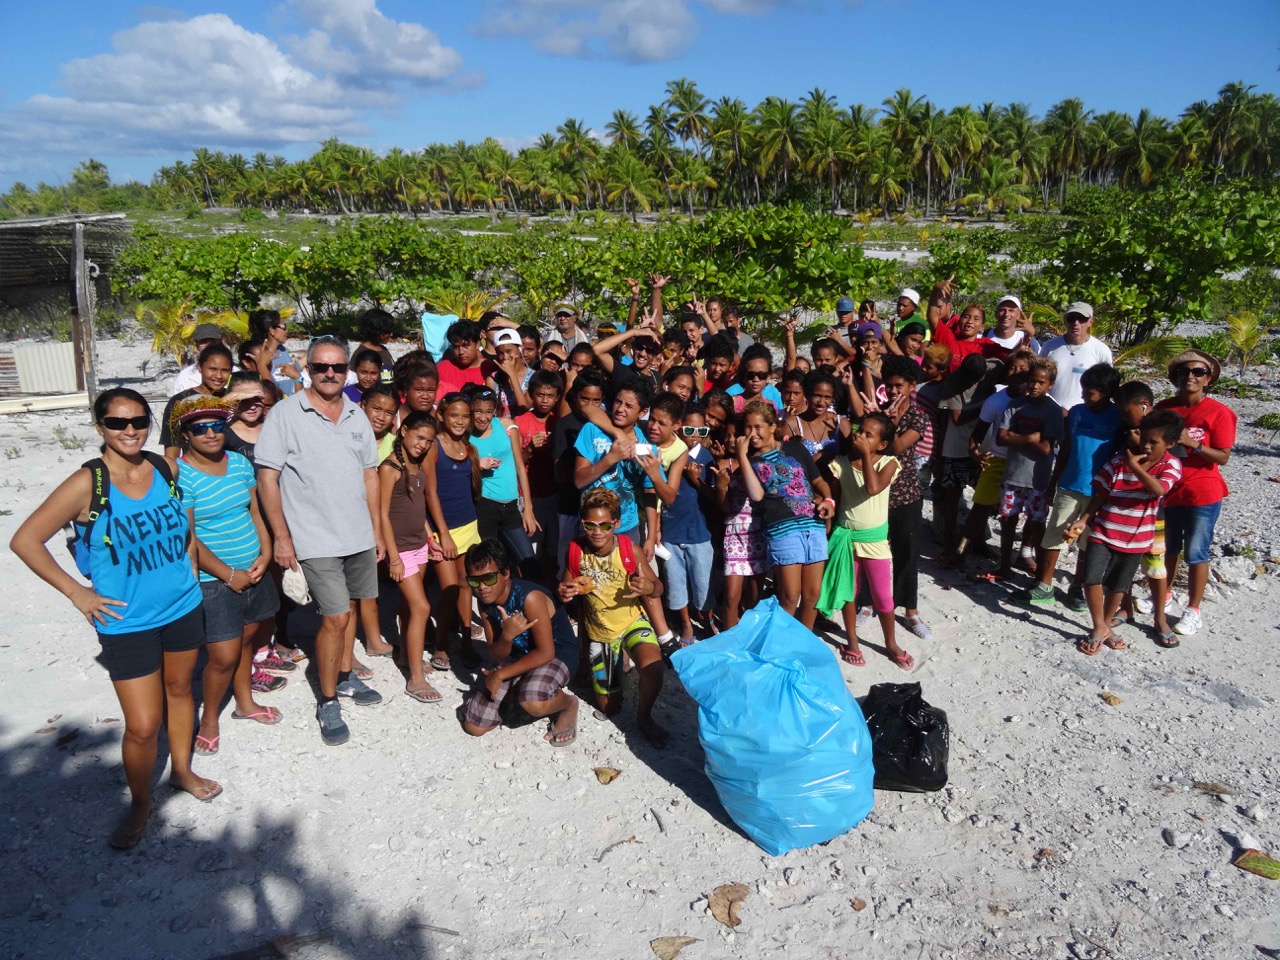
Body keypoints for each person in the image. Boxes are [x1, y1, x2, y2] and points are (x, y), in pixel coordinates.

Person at [10, 388, 218, 850]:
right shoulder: (89, 483)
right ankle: (142, 802)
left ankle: (181, 770)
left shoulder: (164, 468)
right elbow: (25, 540)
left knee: (182, 690)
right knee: (143, 725)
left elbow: (185, 526)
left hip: (182, 606)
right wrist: (77, 593)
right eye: (117, 422)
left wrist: (189, 565)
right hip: (127, 621)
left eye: (139, 421)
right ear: (99, 426)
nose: (130, 430)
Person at [256, 336, 386, 747]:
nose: (329, 374)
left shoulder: (355, 414)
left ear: (346, 370)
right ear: (307, 368)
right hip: (314, 537)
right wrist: (281, 536)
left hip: (357, 535)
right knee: (335, 618)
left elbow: (369, 474)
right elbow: (268, 477)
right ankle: (327, 700)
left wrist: (377, 531)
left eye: (336, 367)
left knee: (349, 607)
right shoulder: (285, 414)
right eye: (320, 367)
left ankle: (345, 677)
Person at [173, 397, 283, 757]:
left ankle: (245, 702)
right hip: (214, 580)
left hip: (253, 569)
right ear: (186, 434)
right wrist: (227, 574)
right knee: (222, 655)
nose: (210, 433)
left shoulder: (238, 463)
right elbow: (189, 537)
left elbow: (255, 510)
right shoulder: (182, 474)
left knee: (247, 642)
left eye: (217, 425)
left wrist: (266, 555)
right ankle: (209, 720)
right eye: (199, 427)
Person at [1066, 411, 1183, 655]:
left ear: (1170, 444)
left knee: (1118, 585)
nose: (1146, 446)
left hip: (1137, 537)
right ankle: (1099, 626)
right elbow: (1101, 493)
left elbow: (1159, 489)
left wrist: (1135, 468)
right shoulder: (1120, 460)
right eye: (1144, 439)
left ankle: (1105, 626)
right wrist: (1084, 520)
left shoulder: (1170, 464)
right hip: (1104, 529)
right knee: (1091, 577)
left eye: (1154, 442)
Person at [559, 488, 668, 747]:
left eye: (605, 524)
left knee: (653, 669)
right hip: (599, 633)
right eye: (590, 525)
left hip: (632, 623)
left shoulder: (629, 549)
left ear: (616, 524)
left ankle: (644, 718)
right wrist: (564, 593)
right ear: (582, 523)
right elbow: (564, 587)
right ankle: (618, 666)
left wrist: (649, 588)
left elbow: (659, 587)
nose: (597, 531)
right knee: (609, 705)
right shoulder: (575, 551)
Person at [817, 413, 914, 670]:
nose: (860, 436)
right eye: (860, 431)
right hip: (846, 538)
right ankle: (852, 640)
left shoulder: (889, 463)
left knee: (883, 596)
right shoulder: (841, 463)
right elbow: (833, 495)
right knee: (850, 592)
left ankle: (891, 643)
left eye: (868, 435)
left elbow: (872, 489)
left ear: (881, 445)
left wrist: (866, 458)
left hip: (875, 541)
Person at [463, 540, 580, 745]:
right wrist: (507, 636)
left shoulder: (530, 598)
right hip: (519, 656)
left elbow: (546, 652)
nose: (482, 587)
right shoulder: (485, 603)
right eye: (474, 581)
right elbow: (496, 655)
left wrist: (499, 674)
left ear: (506, 574)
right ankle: (521, 688)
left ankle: (567, 704)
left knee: (533, 701)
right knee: (474, 725)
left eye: (489, 578)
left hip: (557, 653)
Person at [1026, 364, 1123, 608]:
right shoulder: (1077, 413)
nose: (1082, 396)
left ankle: (1077, 588)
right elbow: (1066, 449)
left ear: (1105, 392)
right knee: (1054, 534)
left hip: (1099, 493)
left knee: (1088, 543)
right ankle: (1044, 586)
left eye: (1089, 392)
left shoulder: (1118, 418)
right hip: (1069, 485)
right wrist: (1053, 483)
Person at [1156, 349, 1237, 638]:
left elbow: (1224, 457)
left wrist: (1194, 444)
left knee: (1196, 552)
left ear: (1208, 378)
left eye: (1197, 372)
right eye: (1183, 371)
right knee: (1167, 548)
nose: (1189, 376)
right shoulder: (1164, 408)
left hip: (1203, 491)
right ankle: (1162, 596)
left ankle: (1193, 610)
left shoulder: (1219, 413)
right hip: (1168, 489)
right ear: (1175, 377)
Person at [737, 400, 835, 629]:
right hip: (783, 531)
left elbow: (819, 481)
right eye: (748, 428)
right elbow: (757, 495)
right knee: (790, 596)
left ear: (772, 427)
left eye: (758, 427)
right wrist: (742, 456)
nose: (752, 433)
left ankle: (803, 642)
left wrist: (829, 502)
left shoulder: (795, 448)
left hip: (814, 526)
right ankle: (781, 645)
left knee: (812, 596)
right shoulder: (751, 461)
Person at [379, 411, 443, 703]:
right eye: (419, 437)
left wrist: (430, 538)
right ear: (403, 431)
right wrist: (393, 557)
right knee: (421, 607)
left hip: (419, 545)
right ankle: (415, 679)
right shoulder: (390, 468)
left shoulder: (418, 467)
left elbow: (419, 509)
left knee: (409, 607)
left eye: (429, 441)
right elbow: (381, 514)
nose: (423, 444)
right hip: (401, 549)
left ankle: (407, 656)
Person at [423, 392, 481, 669]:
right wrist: (441, 533)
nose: (460, 421)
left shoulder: (468, 446)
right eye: (454, 415)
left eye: (465, 416)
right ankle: (442, 643)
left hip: (469, 525)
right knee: (448, 589)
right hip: (442, 529)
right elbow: (430, 492)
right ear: (442, 416)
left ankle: (467, 638)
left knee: (466, 584)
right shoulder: (434, 446)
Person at [994, 357, 1063, 580]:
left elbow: (1045, 448)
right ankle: (1003, 566)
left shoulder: (1052, 411)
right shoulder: (1015, 404)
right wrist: (1030, 438)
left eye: (1041, 383)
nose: (1035, 386)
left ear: (1050, 385)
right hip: (1013, 474)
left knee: (1036, 524)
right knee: (1007, 521)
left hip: (1037, 479)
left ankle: (1041, 576)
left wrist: (1017, 437)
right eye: (1032, 381)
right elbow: (1001, 438)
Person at [470, 385, 539, 579]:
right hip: (485, 508)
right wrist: (476, 463)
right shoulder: (466, 436)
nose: (483, 417)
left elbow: (519, 467)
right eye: (478, 411)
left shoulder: (506, 425)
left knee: (530, 565)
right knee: (491, 570)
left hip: (511, 508)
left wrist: (528, 509)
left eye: (488, 412)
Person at [516, 370, 564, 584]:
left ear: (557, 397)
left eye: (550, 396)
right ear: (531, 395)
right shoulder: (520, 421)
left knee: (553, 548)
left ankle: (551, 589)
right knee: (531, 549)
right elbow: (516, 463)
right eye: (540, 395)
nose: (545, 401)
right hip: (529, 497)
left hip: (554, 495)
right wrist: (530, 449)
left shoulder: (559, 422)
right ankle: (531, 587)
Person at [161, 343, 232, 458]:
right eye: (212, 369)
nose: (219, 376)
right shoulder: (179, 401)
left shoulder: (235, 399)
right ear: (199, 367)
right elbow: (172, 447)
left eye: (225, 370)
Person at [1037, 302, 1113, 410]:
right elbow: (1038, 378)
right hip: (1049, 411)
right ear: (1065, 321)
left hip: (1084, 415)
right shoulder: (1049, 346)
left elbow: (1107, 386)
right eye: (1071, 318)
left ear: (1090, 322)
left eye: (1081, 319)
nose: (1076, 323)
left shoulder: (1101, 350)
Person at [782, 370, 848, 472]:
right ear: (807, 394)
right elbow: (785, 465)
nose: (821, 403)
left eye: (827, 397)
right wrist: (817, 458)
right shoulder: (792, 424)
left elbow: (850, 460)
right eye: (817, 396)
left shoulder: (840, 424)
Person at [249, 309, 302, 396]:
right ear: (272, 331)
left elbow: (294, 368)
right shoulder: (259, 356)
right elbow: (270, 392)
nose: (287, 331)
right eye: (283, 327)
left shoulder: (282, 350)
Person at [172, 323, 232, 395]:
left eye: (213, 341)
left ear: (222, 341)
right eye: (203, 342)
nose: (208, 345)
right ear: (196, 345)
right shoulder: (185, 376)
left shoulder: (237, 373)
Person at [436, 320, 492, 396]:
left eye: (466, 346)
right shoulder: (441, 369)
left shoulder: (491, 369)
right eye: (455, 347)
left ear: (478, 344)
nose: (461, 352)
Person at [487, 328, 532, 416]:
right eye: (500, 353)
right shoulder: (492, 380)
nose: (505, 357)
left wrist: (512, 374)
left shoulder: (534, 377)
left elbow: (523, 408)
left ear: (520, 350)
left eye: (509, 351)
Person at [355, 306, 397, 373]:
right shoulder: (361, 355)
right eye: (387, 332)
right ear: (377, 331)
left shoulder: (384, 350)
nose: (391, 334)